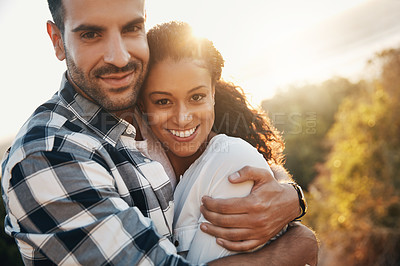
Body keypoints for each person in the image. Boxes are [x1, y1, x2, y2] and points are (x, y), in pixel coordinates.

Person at [0, 0, 317, 265]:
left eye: (130, 28)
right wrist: (301, 243)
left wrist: (291, 196)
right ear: (57, 40)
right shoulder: (48, 153)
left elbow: (223, 156)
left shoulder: (147, 102)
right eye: (92, 34)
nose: (120, 57)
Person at [138, 21, 292, 264]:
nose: (182, 118)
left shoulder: (233, 163)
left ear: (213, 94)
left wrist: (296, 207)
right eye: (163, 102)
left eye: (196, 97)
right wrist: (301, 242)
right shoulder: (133, 169)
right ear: (142, 104)